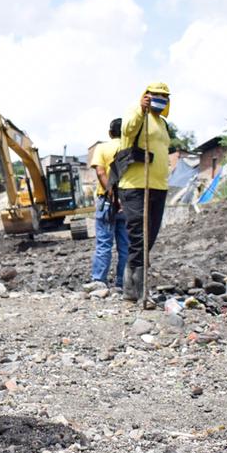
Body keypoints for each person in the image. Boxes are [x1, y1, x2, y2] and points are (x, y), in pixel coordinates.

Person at [118, 83, 172, 305]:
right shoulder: (136, 112)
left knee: (149, 237)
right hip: (136, 185)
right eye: (156, 95)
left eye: (164, 96)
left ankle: (130, 288)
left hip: (158, 186)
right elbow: (128, 130)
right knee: (139, 236)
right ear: (147, 96)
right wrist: (141, 109)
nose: (161, 98)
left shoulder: (163, 123)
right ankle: (139, 291)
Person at [86, 118, 129, 290]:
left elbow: (100, 172)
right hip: (128, 201)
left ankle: (99, 280)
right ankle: (123, 282)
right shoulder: (130, 148)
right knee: (125, 245)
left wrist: (112, 194)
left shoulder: (102, 148)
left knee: (104, 243)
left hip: (107, 201)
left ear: (110, 133)